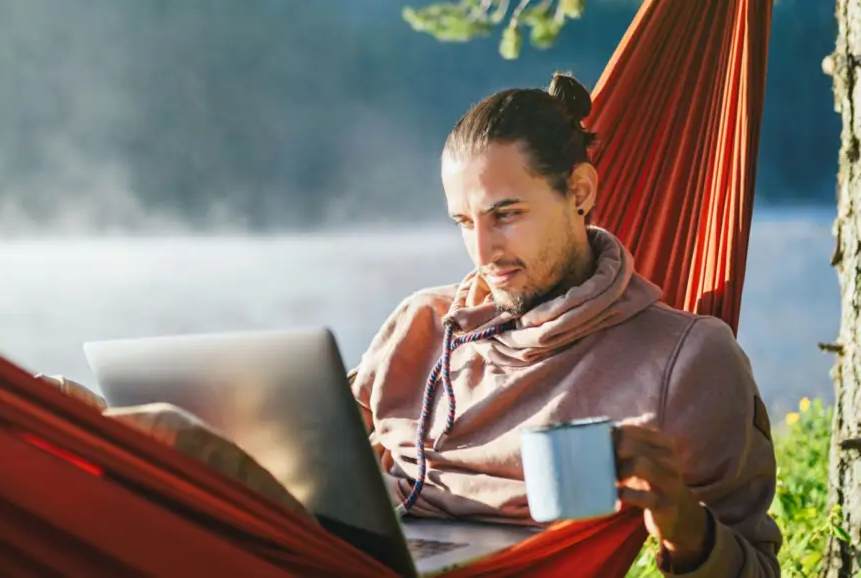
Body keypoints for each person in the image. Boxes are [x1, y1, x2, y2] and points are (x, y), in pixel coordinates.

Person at [45, 73, 783, 577]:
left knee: (166, 435)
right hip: (350, 548)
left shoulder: (681, 358)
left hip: (510, 567)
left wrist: (686, 526)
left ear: (580, 191)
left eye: (507, 214)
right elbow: (315, 434)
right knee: (132, 446)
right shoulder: (427, 321)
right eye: (465, 221)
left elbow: (754, 563)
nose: (485, 250)